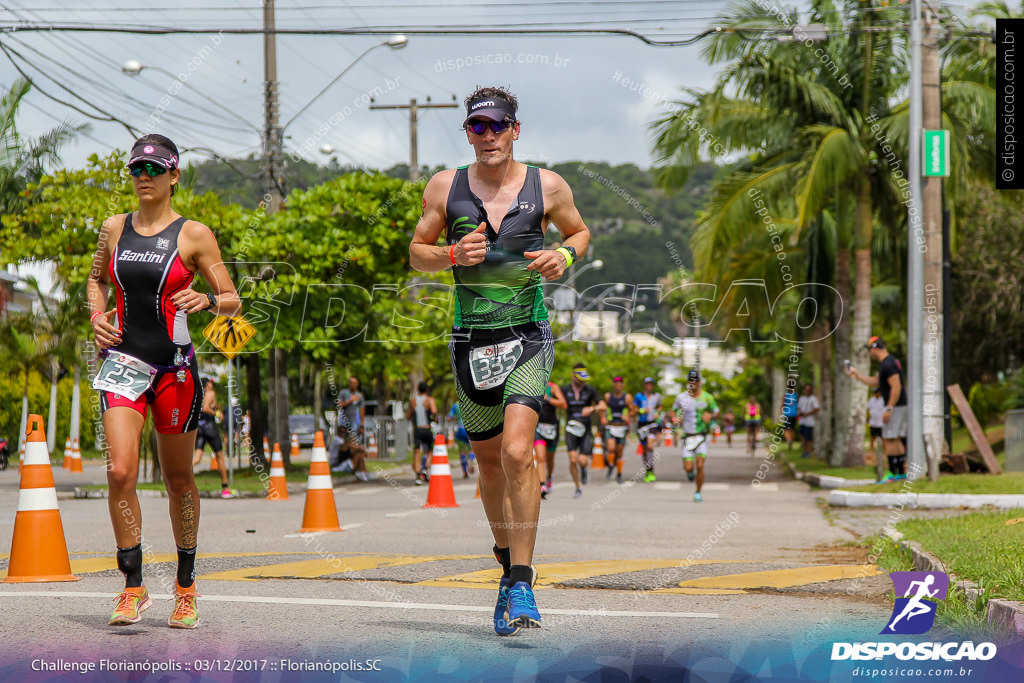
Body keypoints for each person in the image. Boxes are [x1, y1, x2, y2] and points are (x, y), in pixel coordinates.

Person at [408, 85, 590, 635]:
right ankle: (508, 571)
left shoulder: (547, 185)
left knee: (517, 452)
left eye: (496, 126)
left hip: (528, 334)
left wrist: (563, 253)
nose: (487, 136)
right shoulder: (445, 186)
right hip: (470, 342)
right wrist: (448, 254)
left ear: (516, 129)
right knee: (488, 464)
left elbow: (580, 233)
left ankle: (525, 582)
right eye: (476, 127)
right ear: (468, 132)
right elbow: (417, 255)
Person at [87, 134, 241, 629]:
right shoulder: (112, 228)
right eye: (136, 169)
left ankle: (186, 586)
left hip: (176, 371)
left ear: (175, 175)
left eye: (155, 169)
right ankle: (132, 586)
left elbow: (232, 297)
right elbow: (96, 280)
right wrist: (96, 316)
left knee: (179, 480)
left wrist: (211, 302)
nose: (144, 177)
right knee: (118, 472)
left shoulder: (194, 234)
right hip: (124, 365)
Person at [847, 336, 908, 480]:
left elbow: (896, 386)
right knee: (894, 438)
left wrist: (889, 408)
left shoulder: (888, 364)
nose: (869, 353)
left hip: (896, 406)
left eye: (869, 349)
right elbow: (876, 382)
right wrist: (857, 376)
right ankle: (900, 473)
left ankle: (894, 473)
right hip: (898, 406)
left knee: (890, 438)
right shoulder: (888, 363)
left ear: (875, 348)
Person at [671, 369, 718, 502]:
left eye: (696, 381)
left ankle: (698, 491)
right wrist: (675, 419)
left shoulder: (707, 397)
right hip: (687, 436)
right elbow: (673, 412)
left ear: (700, 382)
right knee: (689, 467)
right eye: (691, 381)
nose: (694, 383)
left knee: (700, 465)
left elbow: (716, 412)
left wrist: (711, 416)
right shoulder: (681, 398)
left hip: (701, 436)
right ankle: (690, 473)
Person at [562, 364, 604, 498]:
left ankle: (584, 469)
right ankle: (578, 486)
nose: (582, 381)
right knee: (573, 459)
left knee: (582, 460)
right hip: (571, 429)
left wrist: (592, 409)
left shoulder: (590, 390)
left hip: (585, 429)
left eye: (584, 379)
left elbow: (603, 405)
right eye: (580, 378)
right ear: (573, 376)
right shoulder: (565, 390)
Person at [192, 378, 235, 498]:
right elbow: (206, 408)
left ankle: (180, 477)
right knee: (220, 457)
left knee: (197, 457)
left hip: (199, 427)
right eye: (210, 382)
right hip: (209, 427)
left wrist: (216, 407)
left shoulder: (198, 394)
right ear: (207, 384)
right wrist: (217, 414)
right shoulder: (210, 393)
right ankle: (225, 488)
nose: (212, 384)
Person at [534, 380, 567, 499]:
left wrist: (547, 398)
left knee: (550, 459)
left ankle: (549, 477)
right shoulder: (531, 386)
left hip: (552, 428)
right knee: (540, 458)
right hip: (538, 427)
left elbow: (563, 404)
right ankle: (542, 485)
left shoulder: (552, 388)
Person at [603, 376, 635, 484]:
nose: (618, 386)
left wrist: (629, 416)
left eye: (620, 384)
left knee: (619, 452)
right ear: (613, 385)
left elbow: (633, 410)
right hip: (610, 426)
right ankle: (611, 465)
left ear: (623, 386)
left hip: (621, 427)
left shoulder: (627, 397)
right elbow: (602, 407)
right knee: (611, 448)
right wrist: (602, 417)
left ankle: (619, 474)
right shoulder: (608, 396)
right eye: (616, 384)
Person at [407, 381, 437, 485]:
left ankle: (418, 474)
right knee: (430, 450)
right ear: (427, 390)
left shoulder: (413, 401)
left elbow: (408, 415)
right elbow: (434, 411)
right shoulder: (429, 400)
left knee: (416, 452)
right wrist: (434, 419)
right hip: (427, 429)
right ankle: (425, 468)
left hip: (417, 429)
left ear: (418, 389)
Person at [635, 377, 662, 482]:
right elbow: (634, 409)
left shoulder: (656, 396)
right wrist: (641, 410)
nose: (649, 386)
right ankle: (648, 470)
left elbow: (660, 406)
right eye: (647, 384)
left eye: (651, 384)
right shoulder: (639, 396)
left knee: (650, 446)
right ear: (644, 385)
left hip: (652, 424)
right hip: (642, 424)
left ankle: (651, 471)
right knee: (645, 448)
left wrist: (657, 413)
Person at [448, 401, 477, 478]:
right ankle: (471, 459)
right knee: (472, 450)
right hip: (470, 429)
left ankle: (465, 472)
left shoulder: (455, 405)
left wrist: (455, 417)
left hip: (460, 430)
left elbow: (449, 418)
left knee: (462, 452)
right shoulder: (471, 403)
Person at [338, 375, 365, 444]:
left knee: (353, 441)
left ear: (357, 384)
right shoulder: (343, 393)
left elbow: (362, 410)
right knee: (342, 442)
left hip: (355, 421)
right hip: (343, 421)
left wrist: (362, 425)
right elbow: (340, 405)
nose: (352, 384)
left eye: (354, 382)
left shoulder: (359, 395)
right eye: (351, 382)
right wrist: (350, 401)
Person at [797, 383, 820, 459]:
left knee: (809, 438)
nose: (807, 391)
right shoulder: (802, 398)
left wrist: (808, 413)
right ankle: (805, 450)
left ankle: (808, 451)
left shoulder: (813, 399)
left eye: (808, 390)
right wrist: (800, 412)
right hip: (802, 421)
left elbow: (817, 408)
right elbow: (799, 407)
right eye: (806, 390)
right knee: (802, 436)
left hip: (810, 422)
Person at [866, 388, 886, 453]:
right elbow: (868, 409)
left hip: (881, 423)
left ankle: (884, 452)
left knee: (883, 439)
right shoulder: (872, 400)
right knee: (872, 438)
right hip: (873, 422)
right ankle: (871, 451)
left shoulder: (883, 400)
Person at [780, 385, 798, 450]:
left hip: (787, 414)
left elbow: (782, 405)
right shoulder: (796, 395)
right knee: (792, 429)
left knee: (786, 429)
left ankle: (789, 440)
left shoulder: (785, 395)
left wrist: (780, 414)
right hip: (794, 414)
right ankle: (791, 442)